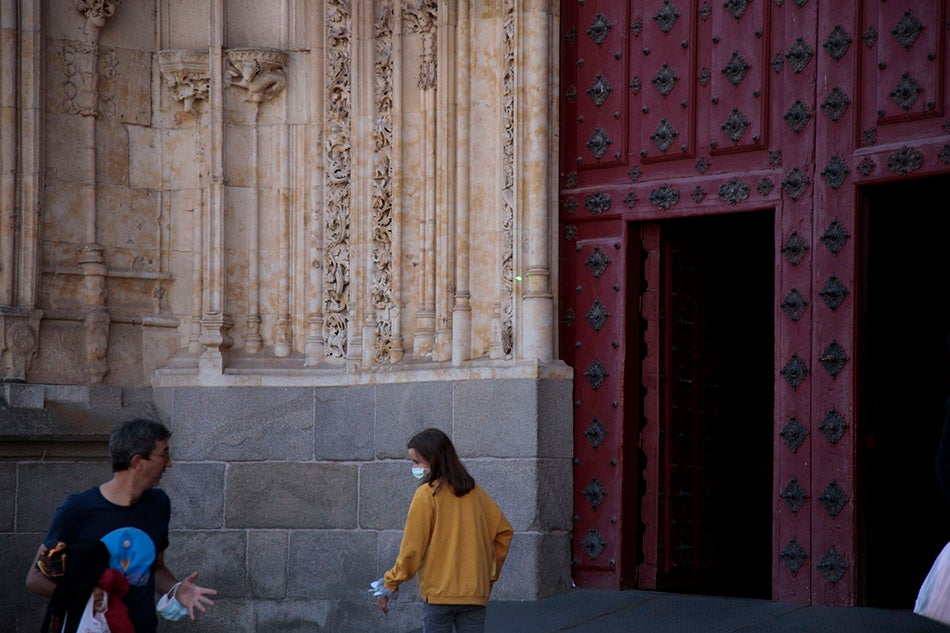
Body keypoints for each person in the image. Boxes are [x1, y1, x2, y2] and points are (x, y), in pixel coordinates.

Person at [25, 417, 217, 632]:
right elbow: (35, 579)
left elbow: (154, 569)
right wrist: (85, 593)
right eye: (164, 454)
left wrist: (176, 589)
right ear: (137, 462)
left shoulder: (158, 504)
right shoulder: (77, 509)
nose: (169, 463)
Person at [372, 427, 513, 633]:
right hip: (474, 593)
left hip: (438, 596)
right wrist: (488, 576)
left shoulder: (426, 495)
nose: (414, 467)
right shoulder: (475, 492)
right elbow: (504, 532)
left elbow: (412, 549)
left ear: (435, 460)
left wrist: (390, 583)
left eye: (417, 462)